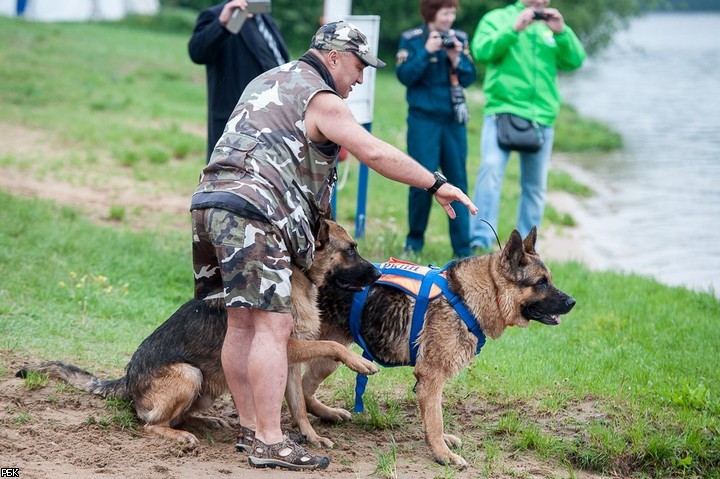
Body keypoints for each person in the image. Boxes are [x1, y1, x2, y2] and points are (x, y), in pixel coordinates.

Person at [189, 21, 478, 471]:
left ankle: (250, 430)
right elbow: (375, 154)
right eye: (359, 66)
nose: (360, 78)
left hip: (210, 204)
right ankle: (269, 439)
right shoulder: (320, 97)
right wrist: (435, 183)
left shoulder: (268, 79)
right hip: (254, 214)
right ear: (334, 57)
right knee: (272, 327)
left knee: (241, 323)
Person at [468, 0, 585, 251]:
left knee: (535, 186)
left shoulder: (551, 27)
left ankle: (526, 249)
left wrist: (562, 32)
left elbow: (575, 61)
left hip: (541, 117)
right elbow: (482, 51)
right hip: (502, 111)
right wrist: (513, 29)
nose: (541, 1)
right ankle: (480, 238)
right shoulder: (498, 18)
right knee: (490, 171)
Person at [396, 0, 476, 258]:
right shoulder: (412, 39)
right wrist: (428, 52)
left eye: (453, 12)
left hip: (453, 122)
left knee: (458, 181)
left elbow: (470, 77)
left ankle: (463, 249)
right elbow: (405, 75)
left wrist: (456, 59)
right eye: (445, 12)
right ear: (432, 13)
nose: (449, 18)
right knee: (421, 181)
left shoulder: (459, 38)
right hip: (424, 121)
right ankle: (414, 242)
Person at [189, 0, 290, 163]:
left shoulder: (264, 18)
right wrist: (221, 24)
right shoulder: (217, 15)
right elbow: (197, 52)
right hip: (236, 123)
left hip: (271, 118)